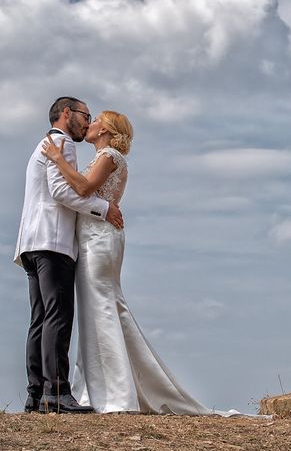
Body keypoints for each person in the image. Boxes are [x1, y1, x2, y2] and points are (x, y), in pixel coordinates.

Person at [41, 110, 232, 415]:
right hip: (93, 238)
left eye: (96, 119)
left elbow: (85, 189)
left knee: (103, 307)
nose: (89, 124)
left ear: (106, 129)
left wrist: (57, 159)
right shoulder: (102, 156)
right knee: (98, 309)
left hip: (99, 241)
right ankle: (99, 387)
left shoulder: (110, 156)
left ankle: (116, 392)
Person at [14, 96, 123, 414]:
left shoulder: (44, 144)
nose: (88, 122)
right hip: (53, 241)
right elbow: (61, 192)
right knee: (57, 317)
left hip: (32, 243)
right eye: (85, 115)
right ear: (66, 113)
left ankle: (37, 394)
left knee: (40, 319)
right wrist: (104, 208)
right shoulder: (63, 144)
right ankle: (57, 393)